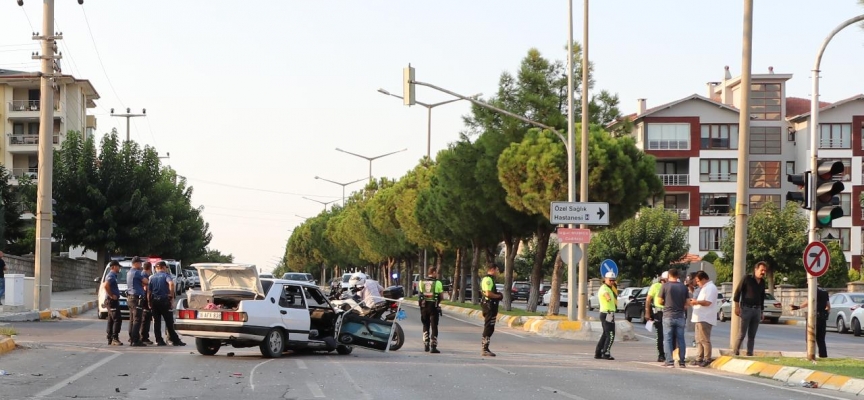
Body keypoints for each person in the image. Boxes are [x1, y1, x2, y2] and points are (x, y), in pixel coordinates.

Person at [732, 261, 768, 356]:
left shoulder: (763, 282)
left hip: (757, 310)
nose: (763, 272)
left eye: (764, 270)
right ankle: (735, 351)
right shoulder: (747, 279)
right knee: (742, 334)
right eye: (761, 270)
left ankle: (750, 353)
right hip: (746, 309)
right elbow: (737, 292)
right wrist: (737, 307)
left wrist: (762, 311)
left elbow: (762, 297)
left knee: (752, 335)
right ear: (756, 269)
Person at [148, 261, 186, 346]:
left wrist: (149, 302)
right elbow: (171, 284)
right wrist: (171, 296)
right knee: (169, 321)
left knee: (156, 322)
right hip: (164, 300)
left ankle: (159, 340)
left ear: (156, 268)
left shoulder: (152, 277)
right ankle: (174, 340)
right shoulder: (166, 275)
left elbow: (149, 291)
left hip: (154, 301)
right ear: (164, 267)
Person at [659, 268, 689, 368]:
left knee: (667, 339)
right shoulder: (684, 287)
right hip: (680, 316)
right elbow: (687, 303)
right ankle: (682, 362)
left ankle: (669, 361)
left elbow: (659, 301)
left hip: (668, 315)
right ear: (678, 276)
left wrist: (666, 303)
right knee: (681, 339)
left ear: (669, 276)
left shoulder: (665, 286)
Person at [689, 271, 717, 367]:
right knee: (698, 339)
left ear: (704, 279)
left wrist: (696, 302)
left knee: (704, 339)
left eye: (698, 281)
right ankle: (699, 358)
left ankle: (707, 358)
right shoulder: (704, 287)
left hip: (705, 317)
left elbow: (708, 302)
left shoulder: (710, 287)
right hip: (699, 317)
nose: (697, 283)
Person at [792, 286, 830, 358]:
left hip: (813, 317)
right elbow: (828, 306)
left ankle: (810, 354)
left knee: (809, 336)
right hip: (822, 317)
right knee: (821, 338)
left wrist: (798, 307)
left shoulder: (813, 291)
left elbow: (808, 302)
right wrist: (826, 314)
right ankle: (823, 355)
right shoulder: (825, 292)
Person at [418, 266, 444, 354]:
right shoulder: (438, 283)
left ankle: (426, 344)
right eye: (436, 272)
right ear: (433, 272)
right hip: (433, 306)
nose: (437, 274)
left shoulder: (421, 282)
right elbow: (441, 296)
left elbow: (421, 294)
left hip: (424, 306)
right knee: (434, 326)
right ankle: (433, 346)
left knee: (425, 324)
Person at [480, 263, 503, 357]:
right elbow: (488, 294)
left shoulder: (490, 279)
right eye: (497, 270)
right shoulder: (488, 279)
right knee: (488, 326)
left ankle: (486, 347)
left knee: (491, 327)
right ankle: (484, 348)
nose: (497, 272)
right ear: (492, 269)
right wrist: (498, 296)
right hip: (489, 305)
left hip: (491, 306)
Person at [645, 271, 668, 362]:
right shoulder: (655, 286)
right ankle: (661, 354)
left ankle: (670, 353)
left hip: (669, 312)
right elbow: (648, 300)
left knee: (670, 335)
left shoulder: (671, 286)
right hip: (659, 312)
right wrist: (647, 312)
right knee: (660, 335)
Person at [594, 271, 618, 360]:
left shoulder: (610, 288)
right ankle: (606, 352)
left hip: (609, 313)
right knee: (611, 335)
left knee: (605, 334)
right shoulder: (604, 288)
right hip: (607, 313)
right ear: (605, 279)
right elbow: (606, 295)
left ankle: (598, 352)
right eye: (610, 280)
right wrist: (608, 297)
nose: (612, 282)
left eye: (613, 280)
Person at [126, 256, 149, 346]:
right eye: (140, 263)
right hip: (136, 298)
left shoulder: (129, 272)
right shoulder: (137, 272)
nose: (141, 265)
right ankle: (135, 340)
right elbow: (146, 281)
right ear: (135, 263)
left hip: (130, 298)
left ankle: (131, 337)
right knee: (137, 320)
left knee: (132, 319)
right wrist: (145, 281)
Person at [103, 261, 123, 346]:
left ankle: (110, 337)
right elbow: (105, 285)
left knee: (111, 319)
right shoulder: (111, 276)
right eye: (118, 267)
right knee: (117, 319)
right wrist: (111, 295)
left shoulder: (113, 276)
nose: (119, 268)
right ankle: (115, 338)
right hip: (111, 301)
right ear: (114, 267)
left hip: (112, 301)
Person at [139, 262, 154, 345]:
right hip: (145, 300)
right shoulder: (145, 276)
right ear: (150, 267)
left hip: (143, 299)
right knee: (145, 319)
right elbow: (147, 288)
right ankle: (144, 337)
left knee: (145, 319)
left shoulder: (142, 274)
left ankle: (144, 336)